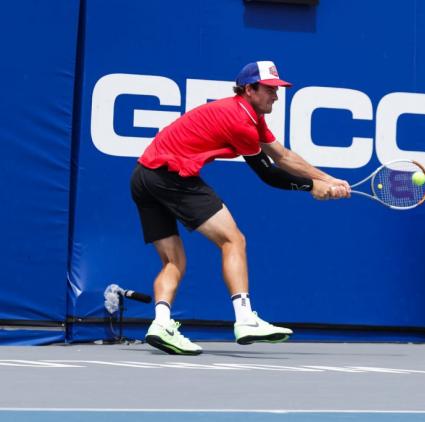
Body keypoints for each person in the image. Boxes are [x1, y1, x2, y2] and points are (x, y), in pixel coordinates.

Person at [130, 61, 351, 355]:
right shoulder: (239, 121)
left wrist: (327, 179)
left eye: (278, 89)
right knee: (233, 240)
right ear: (249, 89)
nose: (276, 96)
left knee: (174, 262)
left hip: (143, 176)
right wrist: (311, 188)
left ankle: (160, 324)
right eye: (271, 90)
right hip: (172, 175)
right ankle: (245, 318)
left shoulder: (248, 113)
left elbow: (282, 155)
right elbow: (269, 174)